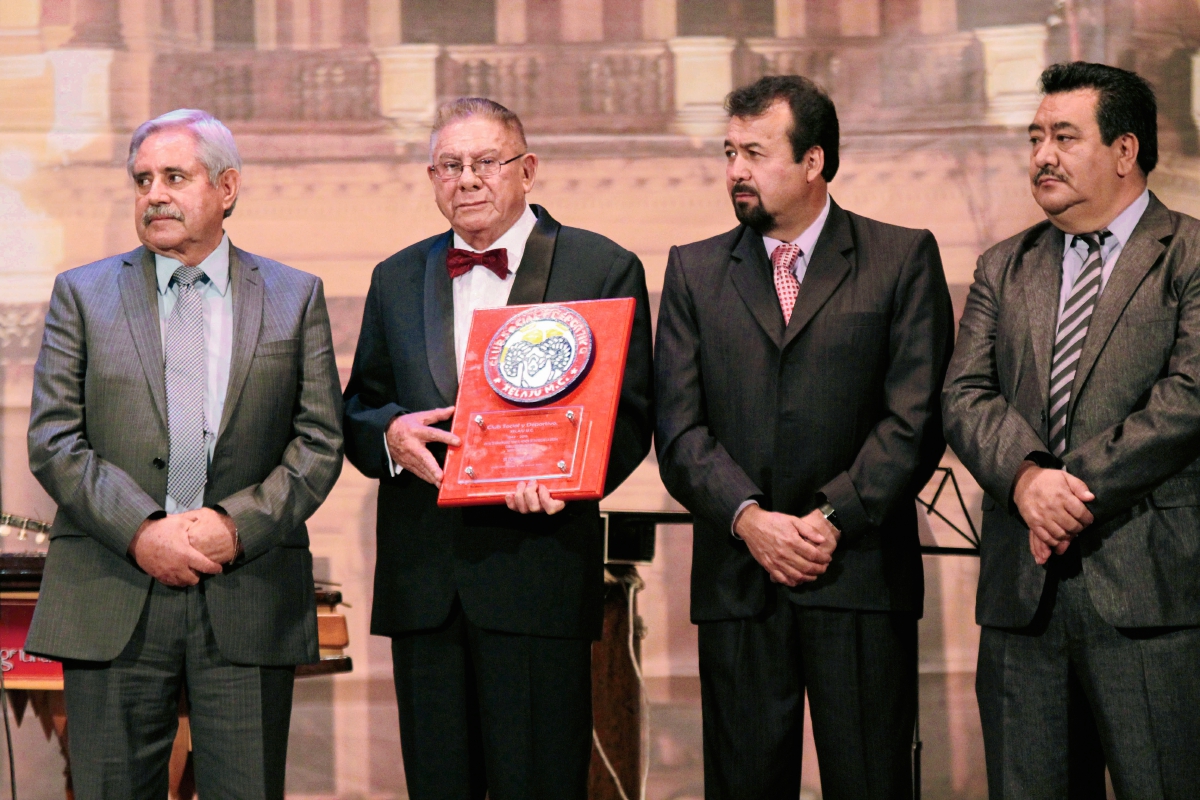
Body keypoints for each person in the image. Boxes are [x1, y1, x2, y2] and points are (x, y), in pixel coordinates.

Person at [24, 109, 344, 798]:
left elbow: (319, 443)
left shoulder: (294, 296)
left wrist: (235, 526)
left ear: (226, 188)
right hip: (114, 589)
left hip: (248, 591)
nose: (154, 195)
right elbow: (53, 439)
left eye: (175, 176)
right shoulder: (81, 295)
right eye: (142, 180)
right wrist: (143, 531)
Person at [341, 97, 653, 800]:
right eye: (449, 166)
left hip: (536, 575)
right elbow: (359, 409)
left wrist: (566, 480)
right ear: (431, 177)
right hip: (426, 589)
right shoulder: (395, 277)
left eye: (486, 162)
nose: (468, 180)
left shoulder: (601, 267)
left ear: (528, 169)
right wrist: (390, 436)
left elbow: (631, 418)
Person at [654, 75, 953, 799]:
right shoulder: (694, 270)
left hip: (859, 574)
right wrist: (752, 520)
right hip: (739, 579)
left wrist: (826, 521)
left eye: (754, 152)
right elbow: (679, 429)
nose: (735, 171)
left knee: (872, 780)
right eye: (728, 152)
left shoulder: (901, 257)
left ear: (814, 161)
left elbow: (915, 419)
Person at [944, 61, 1200, 799]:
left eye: (1063, 136)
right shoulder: (1004, 265)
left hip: (1152, 597)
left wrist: (1068, 491)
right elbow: (964, 394)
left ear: (1125, 151)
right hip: (1024, 604)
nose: (1041, 156)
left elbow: (1186, 400)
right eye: (1034, 138)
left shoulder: (1188, 255)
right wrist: (1027, 480)